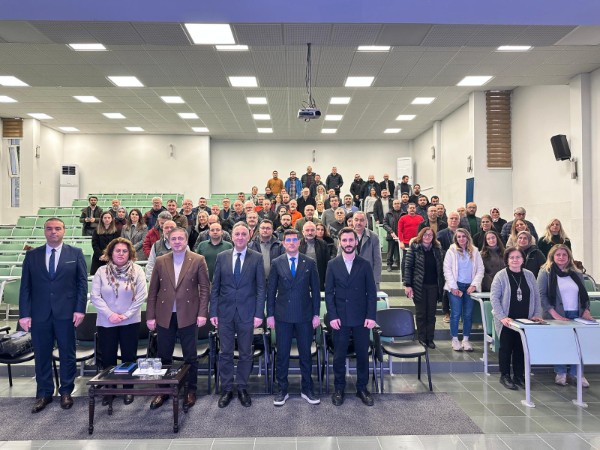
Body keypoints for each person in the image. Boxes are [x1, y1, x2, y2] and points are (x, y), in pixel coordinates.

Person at [19, 218, 87, 413]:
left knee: (67, 353)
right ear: (44, 231)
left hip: (66, 313)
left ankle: (66, 392)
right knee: (41, 354)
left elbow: (82, 284)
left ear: (64, 231)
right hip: (39, 314)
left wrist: (80, 309)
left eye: (57, 228)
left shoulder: (75, 253)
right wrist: (24, 314)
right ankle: (44, 393)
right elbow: (25, 286)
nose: (53, 232)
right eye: (49, 229)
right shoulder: (32, 255)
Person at [147, 227, 210, 410]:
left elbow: (205, 288)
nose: (177, 241)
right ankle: (163, 390)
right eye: (173, 238)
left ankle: (190, 390)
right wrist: (150, 315)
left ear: (186, 240)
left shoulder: (198, 259)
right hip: (164, 314)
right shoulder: (161, 260)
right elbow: (153, 290)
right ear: (168, 240)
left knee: (190, 355)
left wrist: (202, 313)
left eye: (180, 238)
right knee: (163, 355)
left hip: (188, 314)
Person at [210, 222, 266, 408]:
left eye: (243, 234)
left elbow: (261, 288)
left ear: (249, 236)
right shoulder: (222, 257)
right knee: (225, 352)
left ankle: (242, 387)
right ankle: (227, 389)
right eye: (237, 234)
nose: (240, 237)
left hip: (247, 313)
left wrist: (259, 313)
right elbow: (215, 287)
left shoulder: (257, 258)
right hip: (224, 313)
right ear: (231, 236)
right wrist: (213, 311)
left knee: (245, 352)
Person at [267, 229, 321, 406]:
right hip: (282, 317)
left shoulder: (309, 262)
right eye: (288, 240)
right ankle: (282, 390)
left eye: (294, 240)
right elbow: (271, 291)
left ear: (299, 242)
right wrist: (270, 315)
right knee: (282, 355)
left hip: (305, 316)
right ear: (283, 243)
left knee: (306, 354)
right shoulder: (277, 263)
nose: (291, 243)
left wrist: (316, 314)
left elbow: (315, 290)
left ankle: (307, 389)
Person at [91, 237, 147, 405]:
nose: (121, 253)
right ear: (111, 253)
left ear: (130, 253)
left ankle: (128, 389)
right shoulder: (101, 271)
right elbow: (95, 296)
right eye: (118, 251)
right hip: (107, 321)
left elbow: (142, 295)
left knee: (129, 357)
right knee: (108, 357)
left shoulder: (138, 270)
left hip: (130, 321)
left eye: (124, 251)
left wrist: (126, 315)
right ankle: (110, 390)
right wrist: (110, 315)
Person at [325, 227, 377, 407]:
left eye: (351, 240)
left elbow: (371, 293)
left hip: (362, 318)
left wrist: (371, 316)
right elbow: (329, 293)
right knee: (339, 356)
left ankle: (362, 388)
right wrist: (332, 316)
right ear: (340, 243)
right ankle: (339, 388)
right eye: (344, 240)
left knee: (362, 355)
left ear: (356, 242)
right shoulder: (332, 264)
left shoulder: (365, 264)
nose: (348, 243)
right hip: (340, 319)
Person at [538, 245, 594, 387]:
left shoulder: (576, 273)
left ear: (569, 257)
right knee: (560, 344)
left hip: (576, 314)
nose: (561, 257)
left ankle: (577, 373)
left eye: (564, 255)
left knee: (579, 344)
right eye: (558, 255)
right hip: (556, 314)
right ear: (552, 256)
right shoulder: (545, 272)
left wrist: (586, 310)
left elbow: (584, 295)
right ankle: (561, 372)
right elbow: (541, 295)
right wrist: (554, 314)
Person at [490, 247, 543, 390]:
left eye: (518, 257)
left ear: (523, 259)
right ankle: (505, 376)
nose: (515, 260)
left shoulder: (529, 275)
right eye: (512, 257)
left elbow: (536, 296)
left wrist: (537, 314)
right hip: (507, 320)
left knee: (521, 348)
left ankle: (519, 376)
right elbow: (494, 298)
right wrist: (502, 317)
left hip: (525, 320)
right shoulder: (501, 276)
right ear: (507, 260)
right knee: (506, 348)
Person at [443, 229, 484, 352]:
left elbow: (480, 270)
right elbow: (447, 270)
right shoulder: (451, 251)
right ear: (456, 239)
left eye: (463, 236)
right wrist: (453, 287)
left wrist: (474, 285)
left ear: (467, 237)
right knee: (455, 314)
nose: (461, 239)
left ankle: (466, 339)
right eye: (459, 237)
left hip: (469, 287)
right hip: (455, 286)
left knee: (468, 314)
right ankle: (455, 339)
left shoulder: (475, 251)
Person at [403, 227, 444, 349]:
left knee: (431, 314)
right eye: (425, 235)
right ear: (421, 236)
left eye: (430, 235)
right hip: (418, 286)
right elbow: (408, 267)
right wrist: (408, 285)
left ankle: (430, 339)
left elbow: (441, 269)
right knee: (421, 314)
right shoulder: (414, 248)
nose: (427, 237)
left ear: (433, 237)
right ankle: (421, 338)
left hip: (434, 286)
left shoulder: (437, 249)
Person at [300, 221, 330, 291]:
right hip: (301, 281)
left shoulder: (323, 244)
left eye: (312, 230)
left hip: (319, 279)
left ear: (315, 231)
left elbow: (327, 264)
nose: (310, 233)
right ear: (303, 232)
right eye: (307, 230)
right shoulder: (297, 244)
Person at [397, 203, 424, 278]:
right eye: (410, 208)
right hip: (406, 243)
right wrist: (401, 242)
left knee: (418, 260)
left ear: (415, 209)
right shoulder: (402, 218)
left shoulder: (420, 218)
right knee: (406, 260)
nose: (412, 209)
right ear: (407, 209)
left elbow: (423, 230)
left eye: (413, 208)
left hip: (418, 242)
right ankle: (404, 277)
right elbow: (399, 231)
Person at [91, 211, 120, 275]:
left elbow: (116, 245)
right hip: (99, 258)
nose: (107, 219)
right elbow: (95, 245)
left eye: (109, 218)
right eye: (105, 218)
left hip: (111, 258)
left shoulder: (116, 231)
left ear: (112, 219)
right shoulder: (96, 230)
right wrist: (101, 255)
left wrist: (109, 255)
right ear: (102, 219)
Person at [383, 199, 403, 272]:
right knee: (390, 251)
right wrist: (391, 232)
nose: (397, 205)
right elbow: (385, 224)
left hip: (401, 236)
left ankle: (400, 264)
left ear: (400, 205)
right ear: (393, 205)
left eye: (398, 203)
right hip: (391, 236)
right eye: (395, 203)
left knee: (400, 252)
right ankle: (389, 265)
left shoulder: (404, 213)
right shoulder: (388, 214)